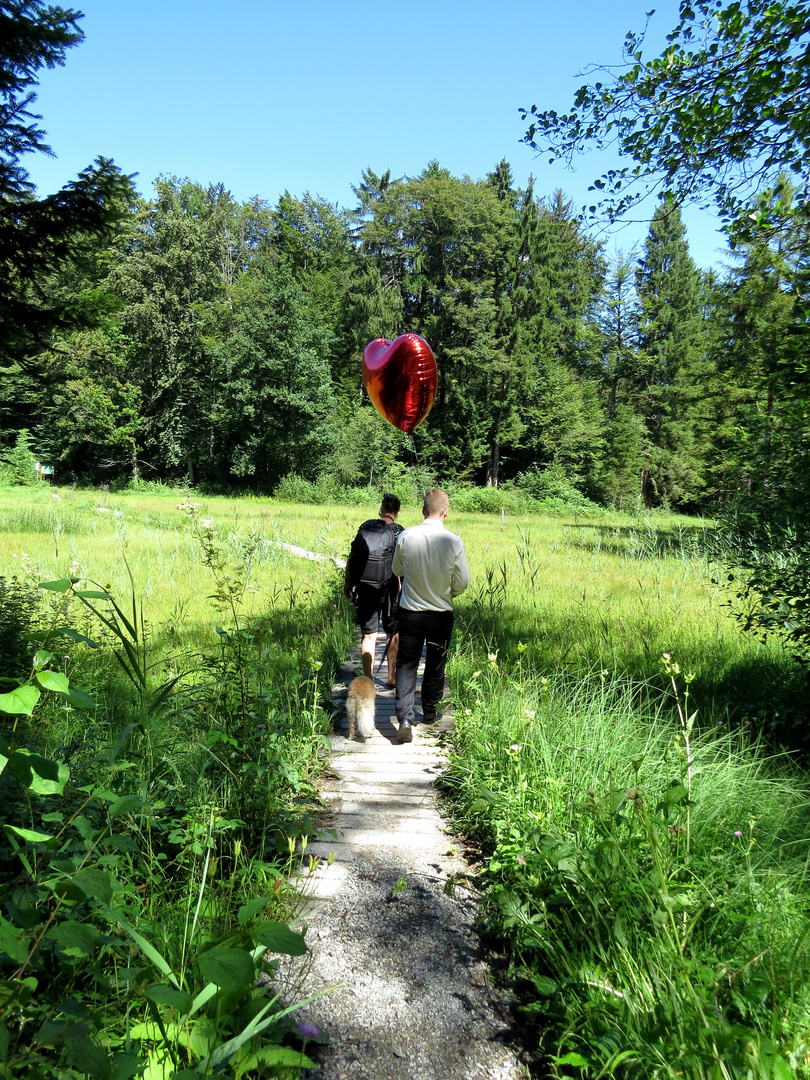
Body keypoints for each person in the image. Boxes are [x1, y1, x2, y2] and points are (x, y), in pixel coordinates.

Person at [392, 488, 470, 743]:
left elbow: (396, 569)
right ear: (446, 513)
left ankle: (404, 718)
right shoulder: (454, 541)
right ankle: (428, 712)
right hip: (440, 614)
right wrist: (448, 594)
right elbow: (462, 582)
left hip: (411, 612)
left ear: (423, 510)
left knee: (406, 664)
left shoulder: (406, 536)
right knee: (436, 664)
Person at [344, 493, 404, 685]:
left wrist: (348, 583)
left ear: (381, 509)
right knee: (392, 632)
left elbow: (352, 557)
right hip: (391, 587)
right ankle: (391, 677)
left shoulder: (365, 527)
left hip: (366, 586)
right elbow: (404, 564)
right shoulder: (399, 532)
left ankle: (368, 680)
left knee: (369, 634)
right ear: (397, 512)